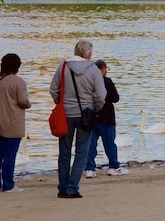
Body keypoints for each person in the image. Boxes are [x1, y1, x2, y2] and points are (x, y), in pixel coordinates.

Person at [50, 39, 106, 198]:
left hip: (66, 115)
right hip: (85, 114)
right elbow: (101, 95)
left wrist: (60, 103)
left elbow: (53, 89)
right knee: (81, 152)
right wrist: (95, 108)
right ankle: (72, 187)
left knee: (64, 152)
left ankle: (62, 187)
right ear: (89, 54)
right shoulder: (93, 69)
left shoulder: (63, 66)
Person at [0, 53, 31, 193]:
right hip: (12, 122)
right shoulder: (18, 82)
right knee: (10, 154)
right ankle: (8, 184)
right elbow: (23, 101)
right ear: (17, 66)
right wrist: (28, 103)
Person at [85, 59, 127, 178]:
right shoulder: (107, 82)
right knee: (109, 144)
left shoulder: (88, 82)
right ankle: (113, 166)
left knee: (91, 145)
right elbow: (115, 98)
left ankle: (90, 168)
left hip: (91, 117)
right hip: (107, 117)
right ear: (103, 69)